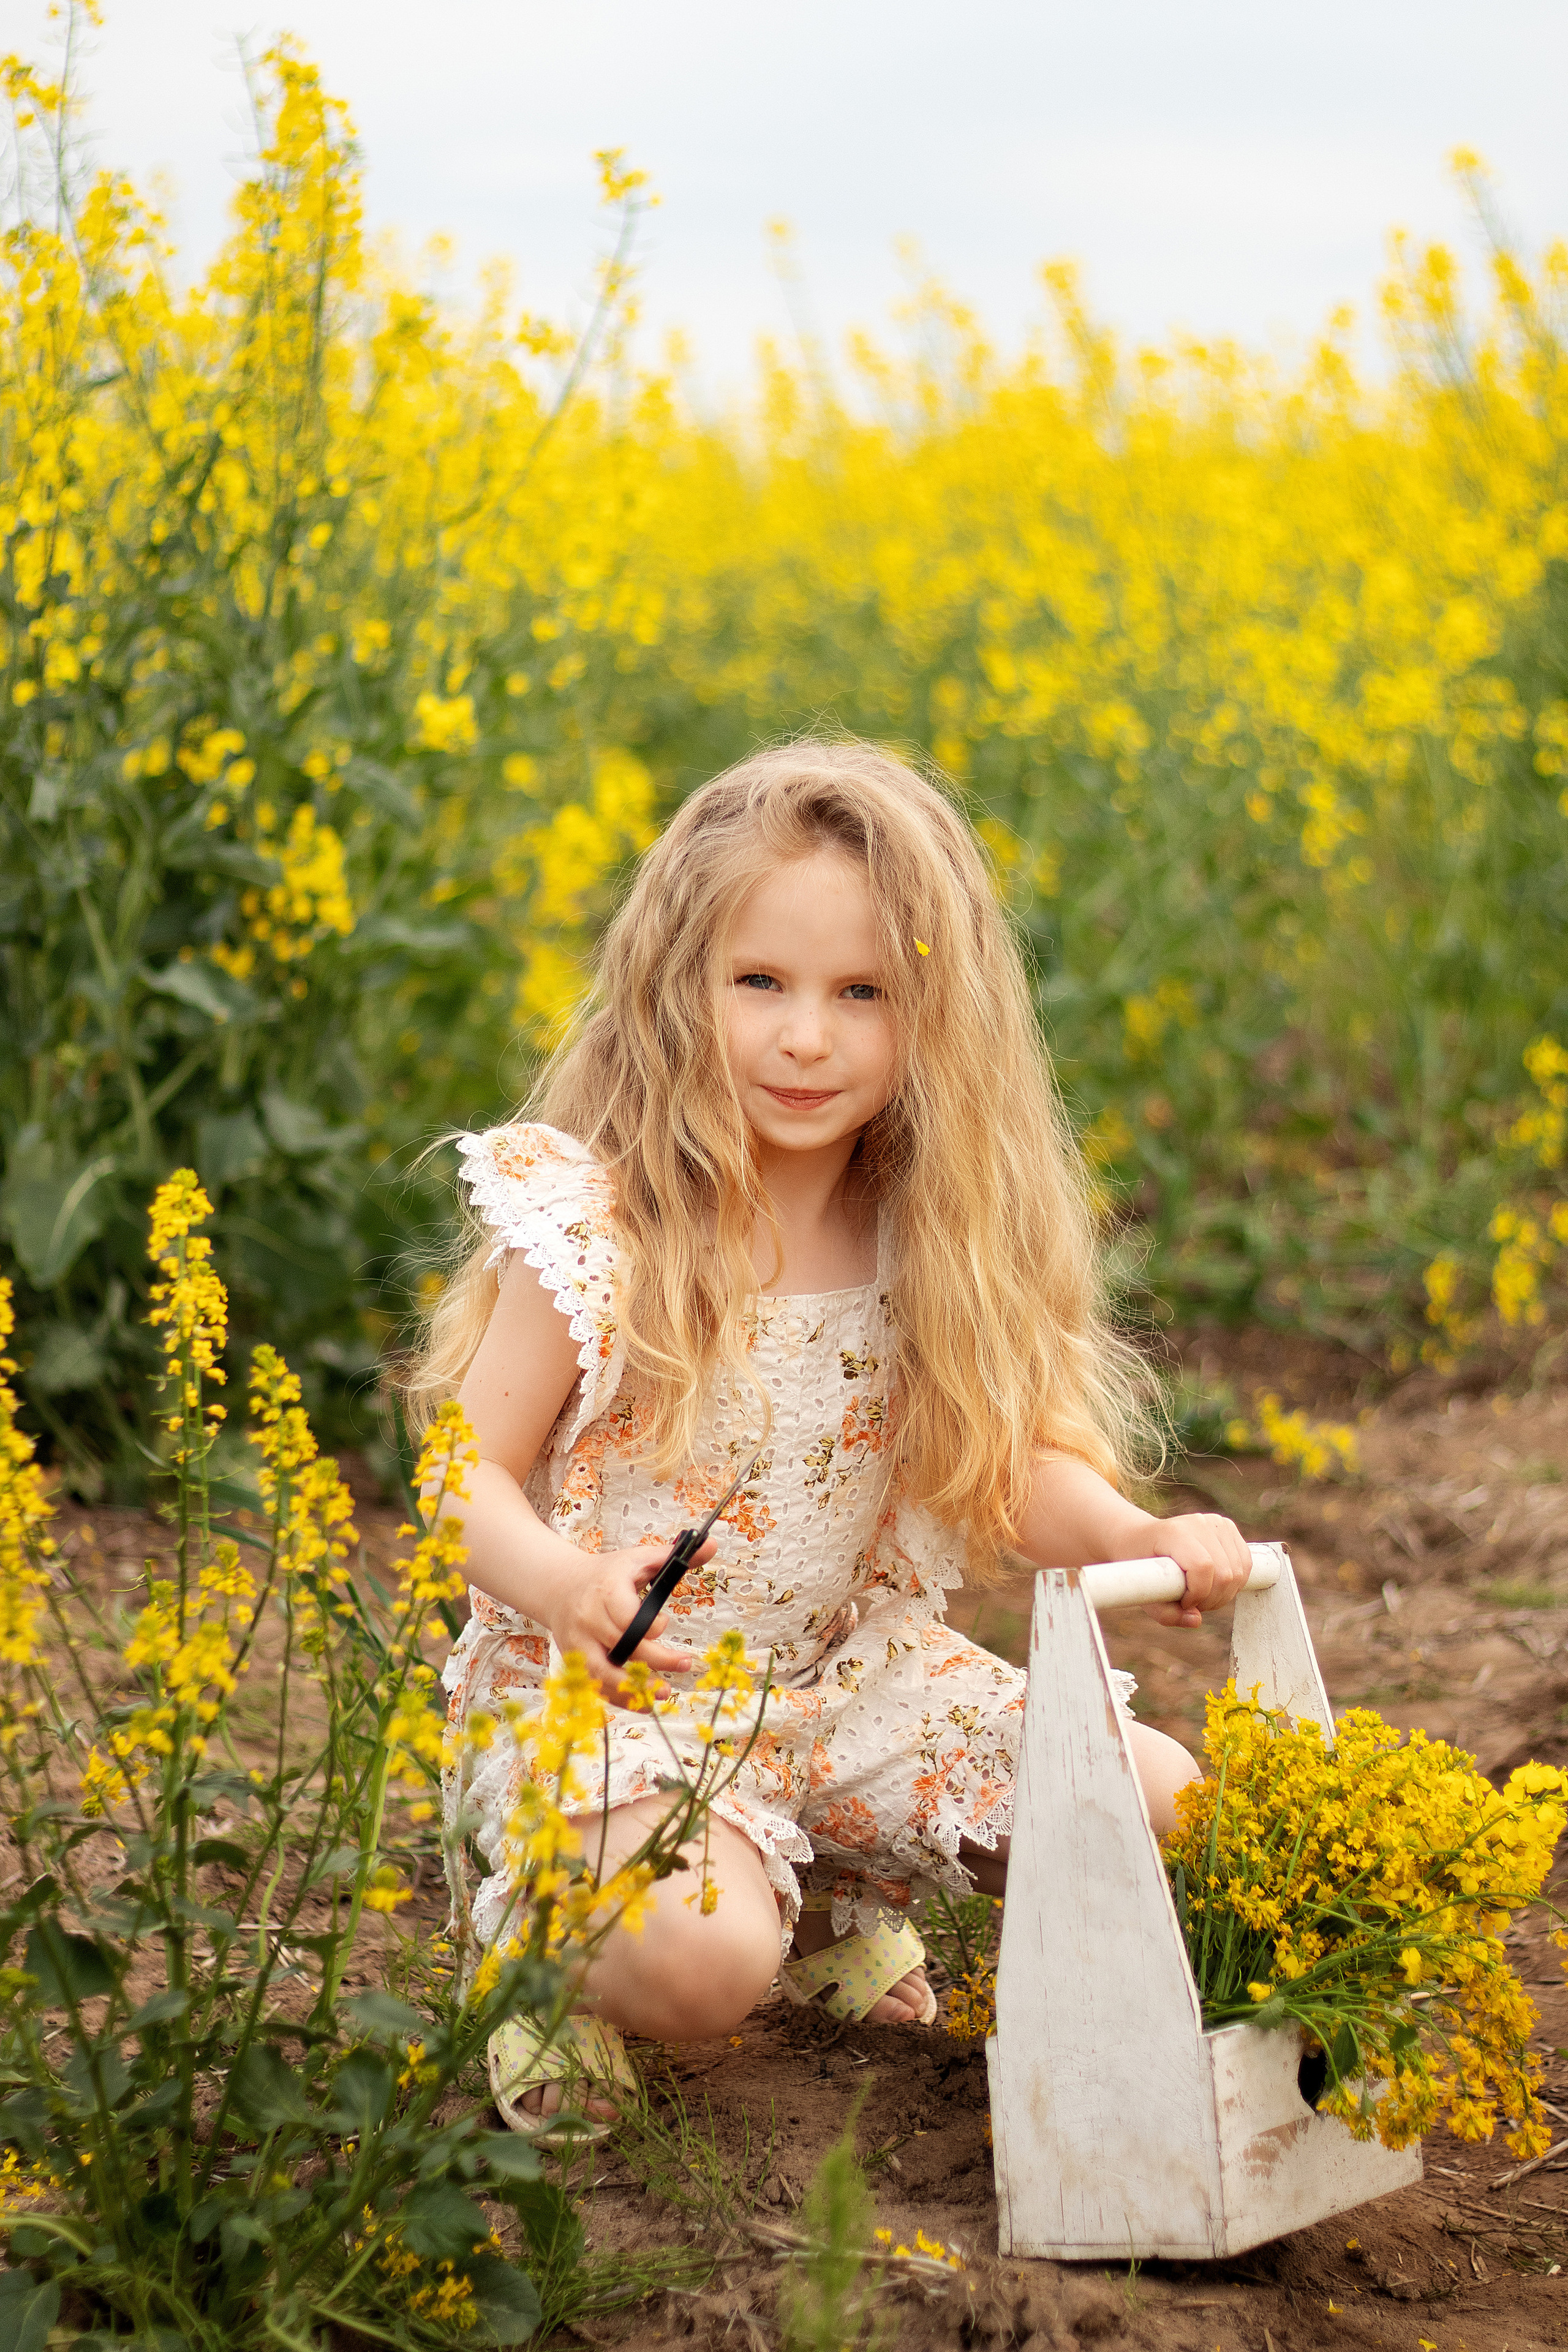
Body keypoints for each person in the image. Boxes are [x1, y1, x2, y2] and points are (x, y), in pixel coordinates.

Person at [406, 738, 1251, 2136]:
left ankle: (823, 1887)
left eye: (862, 994)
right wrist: (559, 1589)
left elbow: (1006, 1469)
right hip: (624, 1714)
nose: (807, 1037)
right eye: (762, 984)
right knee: (696, 1961)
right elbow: (458, 1471)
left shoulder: (930, 1234)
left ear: (937, 1018)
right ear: (678, 985)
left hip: (845, 1687)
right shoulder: (601, 1226)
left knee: (1161, 1805)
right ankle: (541, 1956)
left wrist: (1134, 1535)